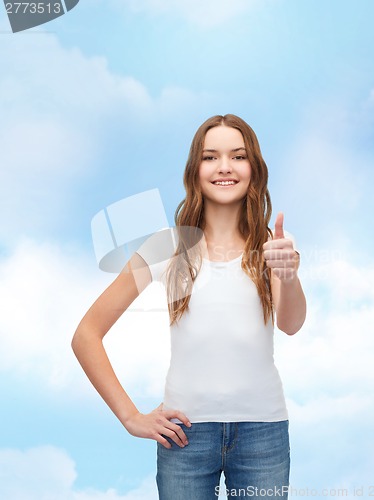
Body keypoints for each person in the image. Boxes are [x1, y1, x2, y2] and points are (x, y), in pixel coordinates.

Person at [72, 114, 306, 500]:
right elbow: (86, 335)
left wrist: (289, 274)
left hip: (263, 430)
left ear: (254, 169)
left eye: (238, 156)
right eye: (211, 157)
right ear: (195, 170)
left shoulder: (273, 243)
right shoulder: (166, 246)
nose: (225, 167)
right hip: (185, 435)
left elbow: (291, 324)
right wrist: (131, 417)